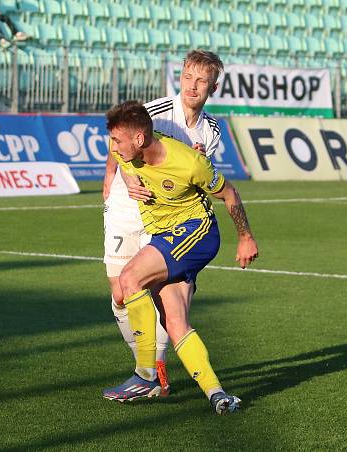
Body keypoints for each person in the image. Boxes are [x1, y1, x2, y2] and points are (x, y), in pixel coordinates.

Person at [101, 101, 259, 414]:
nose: (113, 147)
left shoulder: (189, 163)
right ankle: (218, 395)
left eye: (118, 141)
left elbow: (230, 194)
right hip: (164, 235)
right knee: (175, 322)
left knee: (130, 278)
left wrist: (245, 237)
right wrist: (125, 180)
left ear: (140, 140)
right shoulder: (127, 147)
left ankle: (145, 373)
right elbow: (121, 157)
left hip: (196, 231)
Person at [102, 50, 225, 399]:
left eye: (201, 81)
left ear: (211, 88)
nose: (193, 86)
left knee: (171, 305)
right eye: (188, 77)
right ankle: (148, 369)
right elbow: (119, 141)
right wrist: (118, 178)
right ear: (180, 77)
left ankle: (152, 372)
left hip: (172, 220)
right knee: (120, 295)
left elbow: (201, 178)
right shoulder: (156, 111)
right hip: (128, 209)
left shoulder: (211, 130)